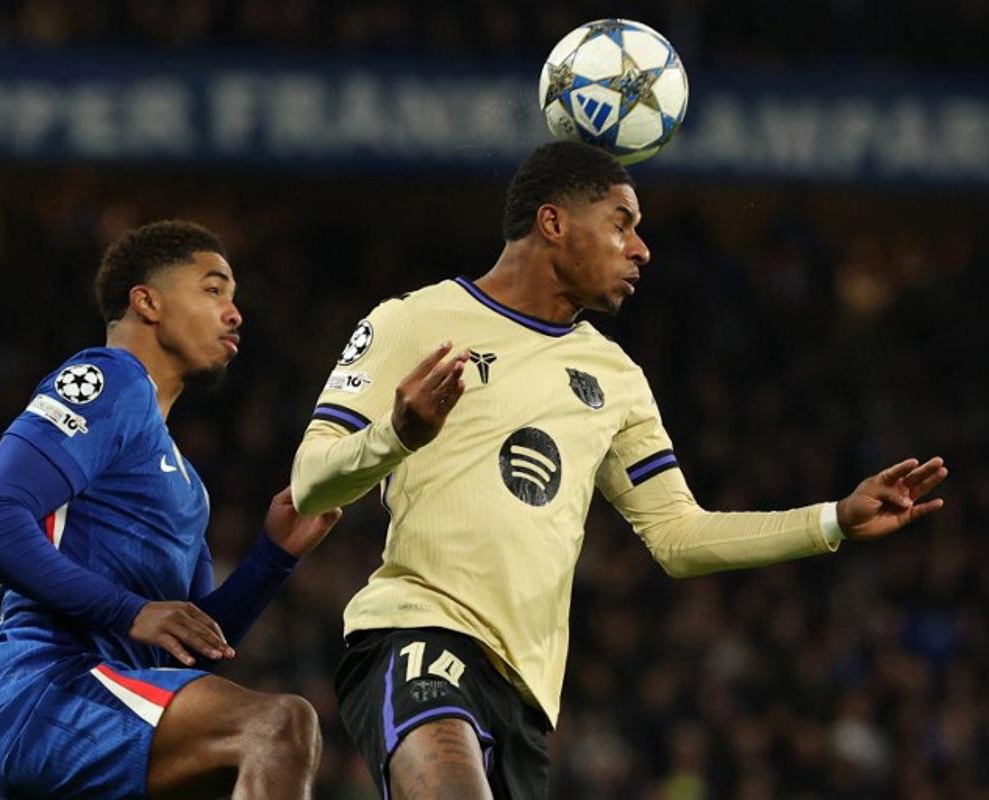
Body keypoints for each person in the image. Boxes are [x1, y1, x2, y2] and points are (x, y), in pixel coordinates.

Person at [290, 141, 948, 800]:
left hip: (523, 690)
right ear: (552, 223)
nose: (641, 249)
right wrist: (395, 438)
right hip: (416, 633)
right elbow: (312, 481)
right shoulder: (414, 320)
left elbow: (677, 537)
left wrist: (832, 520)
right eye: (621, 223)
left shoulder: (616, 379)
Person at [0, 220, 341, 799]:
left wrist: (272, 558)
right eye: (213, 290)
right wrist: (129, 610)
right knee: (276, 727)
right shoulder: (110, 380)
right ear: (148, 301)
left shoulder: (187, 486)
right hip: (52, 689)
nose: (235, 313)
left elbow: (185, 648)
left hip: (105, 711)